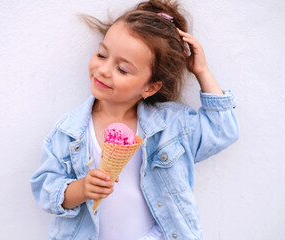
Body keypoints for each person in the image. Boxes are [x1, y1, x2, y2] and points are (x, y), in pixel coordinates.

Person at [30, 0, 239, 239]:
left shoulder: (171, 126)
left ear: (150, 87)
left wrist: (202, 71)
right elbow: (44, 189)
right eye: (101, 54)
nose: (104, 70)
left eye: (122, 69)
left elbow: (223, 131)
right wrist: (80, 189)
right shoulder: (68, 132)